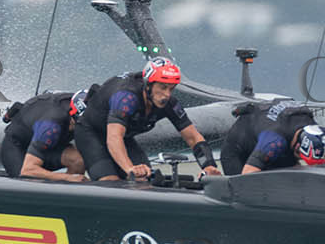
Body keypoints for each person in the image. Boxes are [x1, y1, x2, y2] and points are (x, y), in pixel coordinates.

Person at [73, 57, 222, 182]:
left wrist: (208, 166)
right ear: (148, 85)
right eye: (163, 87)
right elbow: (113, 137)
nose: (166, 95)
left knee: (145, 180)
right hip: (91, 133)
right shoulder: (127, 97)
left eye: (171, 88)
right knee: (111, 181)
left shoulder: (169, 103)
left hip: (124, 137)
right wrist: (130, 169)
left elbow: (193, 137)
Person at [220, 98, 325, 174]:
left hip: (278, 139)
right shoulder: (274, 141)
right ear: (297, 148)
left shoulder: (319, 137)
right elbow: (247, 174)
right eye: (302, 157)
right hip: (238, 151)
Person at [0, 89, 87, 182]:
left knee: (78, 161)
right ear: (74, 120)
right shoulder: (51, 125)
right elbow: (28, 170)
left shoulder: (86, 105)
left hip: (48, 144)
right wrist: (67, 178)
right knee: (30, 180)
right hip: (19, 149)